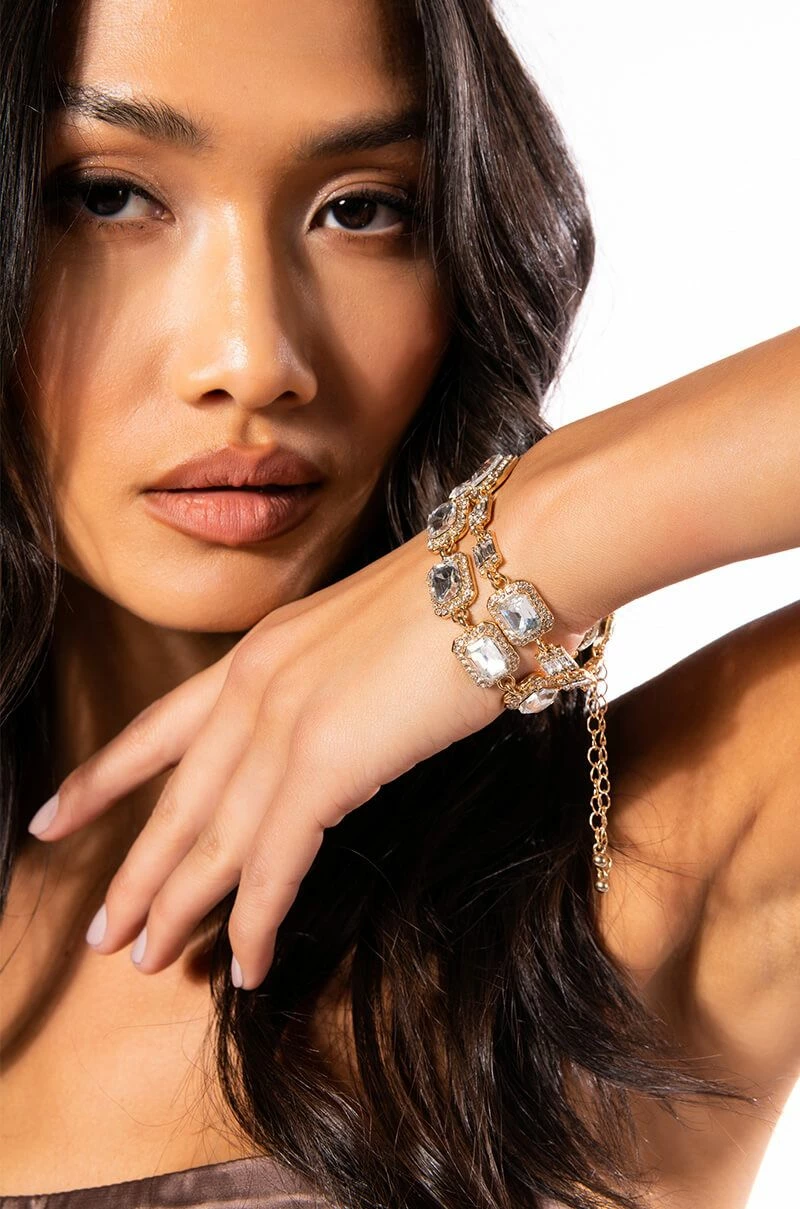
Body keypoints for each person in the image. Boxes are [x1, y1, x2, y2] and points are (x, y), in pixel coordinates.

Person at [1, 0, 798, 1206]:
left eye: (363, 209)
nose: (252, 360)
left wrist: (511, 553)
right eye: (107, 196)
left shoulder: (647, 866)